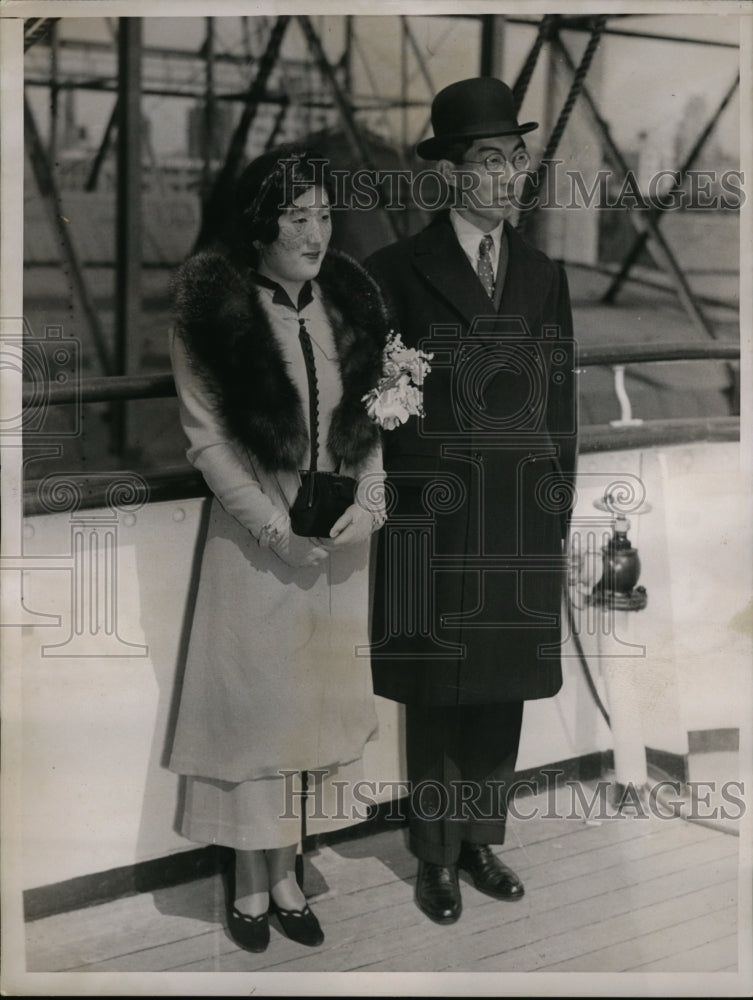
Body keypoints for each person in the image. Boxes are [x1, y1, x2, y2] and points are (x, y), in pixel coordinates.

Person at [365, 77, 578, 924]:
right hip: (435, 518)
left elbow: (559, 403)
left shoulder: (541, 273)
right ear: (450, 172)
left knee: (501, 683)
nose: (506, 176)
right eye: (487, 160)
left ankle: (481, 838)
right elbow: (369, 400)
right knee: (435, 689)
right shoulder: (394, 272)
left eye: (514, 158)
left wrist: (553, 508)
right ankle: (434, 856)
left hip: (518, 515)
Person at [167, 145, 390, 952]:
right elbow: (208, 441)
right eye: (295, 215)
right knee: (255, 716)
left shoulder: (352, 310)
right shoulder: (212, 317)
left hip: (336, 550)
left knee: (309, 711)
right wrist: (274, 528)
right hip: (258, 546)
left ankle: (289, 867)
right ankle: (249, 877)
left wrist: (369, 503)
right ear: (260, 226)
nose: (314, 231)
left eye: (324, 214)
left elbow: (372, 428)